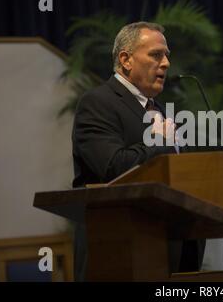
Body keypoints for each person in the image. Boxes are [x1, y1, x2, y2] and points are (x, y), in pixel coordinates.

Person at [71, 21, 204, 281]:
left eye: (167, 56)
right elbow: (112, 167)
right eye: (156, 55)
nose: (165, 63)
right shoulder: (98, 103)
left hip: (173, 253)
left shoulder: (160, 109)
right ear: (126, 60)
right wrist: (157, 141)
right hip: (119, 250)